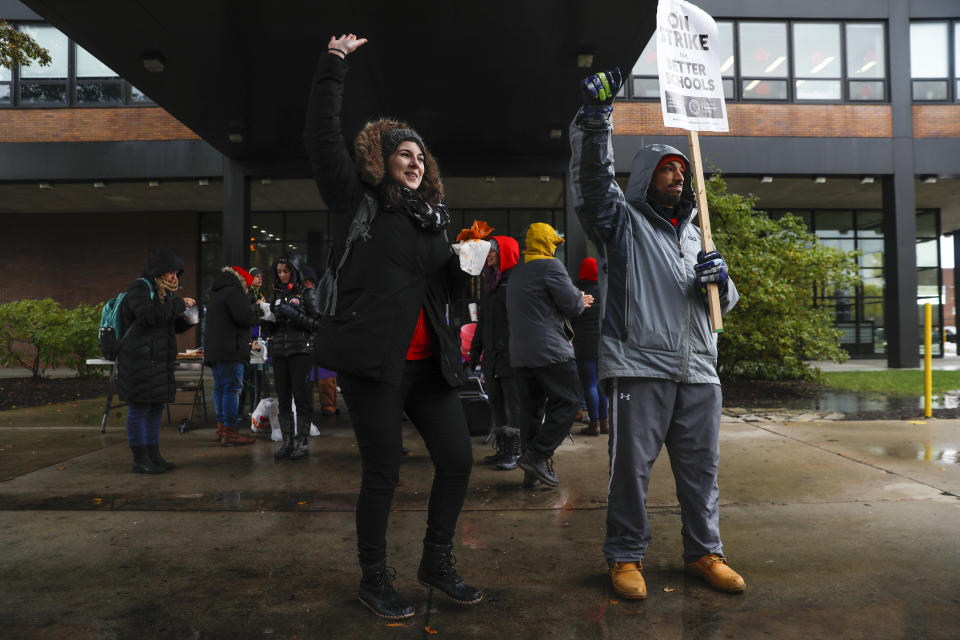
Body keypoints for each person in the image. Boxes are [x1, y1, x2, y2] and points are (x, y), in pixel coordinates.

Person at [303, 33, 482, 620]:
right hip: (373, 363)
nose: (414, 161)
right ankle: (374, 578)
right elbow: (323, 140)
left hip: (428, 366)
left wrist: (467, 270)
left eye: (420, 156)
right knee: (384, 472)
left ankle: (437, 561)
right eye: (402, 153)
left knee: (457, 460)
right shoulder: (357, 198)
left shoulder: (433, 222)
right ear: (381, 160)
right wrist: (333, 69)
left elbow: (442, 293)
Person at [569, 68, 745, 599]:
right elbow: (594, 183)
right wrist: (597, 119)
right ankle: (625, 556)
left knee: (701, 473)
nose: (677, 176)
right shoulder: (621, 225)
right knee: (630, 472)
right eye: (667, 169)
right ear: (646, 176)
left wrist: (723, 281)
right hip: (640, 366)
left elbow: (722, 306)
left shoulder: (698, 233)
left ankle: (704, 552)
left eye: (682, 170)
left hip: (698, 371)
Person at [505, 223, 593, 488]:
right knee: (569, 402)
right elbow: (572, 305)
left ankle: (531, 475)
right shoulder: (551, 267)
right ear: (547, 244)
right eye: (553, 244)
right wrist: (582, 299)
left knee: (531, 412)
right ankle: (538, 455)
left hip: (520, 355)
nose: (555, 248)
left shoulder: (517, 272)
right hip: (550, 351)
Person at [117, 247, 195, 474]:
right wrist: (179, 304)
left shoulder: (164, 293)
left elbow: (165, 324)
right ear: (157, 271)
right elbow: (149, 316)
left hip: (158, 362)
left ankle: (153, 454)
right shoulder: (140, 288)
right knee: (139, 409)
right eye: (171, 272)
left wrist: (189, 320)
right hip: (139, 361)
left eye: (177, 273)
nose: (174, 277)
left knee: (154, 409)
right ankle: (139, 458)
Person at [468, 235, 522, 469]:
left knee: (513, 407)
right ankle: (503, 450)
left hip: (510, 359)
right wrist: (475, 350)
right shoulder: (490, 283)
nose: (488, 255)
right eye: (487, 251)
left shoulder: (514, 284)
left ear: (505, 253)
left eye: (493, 251)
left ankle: (515, 453)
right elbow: (483, 323)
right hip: (491, 358)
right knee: (497, 406)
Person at [262, 254, 317, 460]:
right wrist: (266, 320)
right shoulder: (274, 296)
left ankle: (302, 442)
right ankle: (287, 442)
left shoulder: (307, 294)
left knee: (301, 397)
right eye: (279, 272)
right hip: (279, 353)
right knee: (283, 398)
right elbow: (272, 328)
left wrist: (294, 314)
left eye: (286, 271)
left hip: (300, 352)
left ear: (293, 271)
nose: (282, 275)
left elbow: (317, 324)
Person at [204, 266, 260, 446]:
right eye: (247, 288)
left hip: (216, 350)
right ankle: (230, 431)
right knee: (232, 389)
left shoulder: (218, 294)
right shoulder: (234, 293)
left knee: (221, 388)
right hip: (231, 350)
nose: (246, 292)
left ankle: (222, 429)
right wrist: (257, 311)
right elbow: (245, 317)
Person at [573, 257, 608, 436]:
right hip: (603, 345)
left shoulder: (577, 293)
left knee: (590, 384)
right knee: (602, 384)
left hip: (584, 347)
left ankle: (594, 424)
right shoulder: (606, 291)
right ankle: (605, 421)